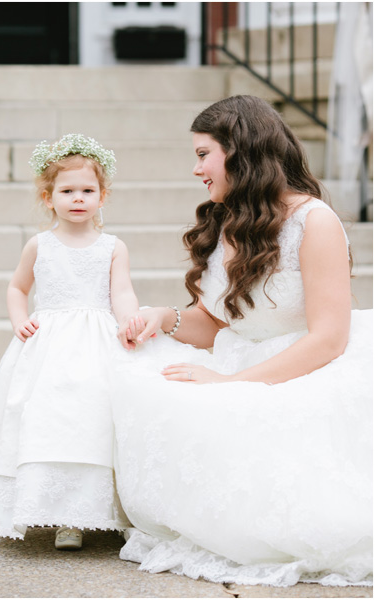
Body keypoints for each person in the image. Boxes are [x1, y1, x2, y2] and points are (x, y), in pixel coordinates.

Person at [113, 95, 373, 586]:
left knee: (224, 409)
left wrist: (232, 382)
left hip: (307, 364)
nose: (197, 170)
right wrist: (164, 317)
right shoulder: (231, 220)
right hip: (240, 355)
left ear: (241, 151)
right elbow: (213, 323)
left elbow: (329, 338)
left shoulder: (314, 222)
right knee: (135, 378)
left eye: (202, 154)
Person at [0, 134, 134, 550]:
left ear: (103, 197)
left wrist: (128, 321)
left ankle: (107, 510)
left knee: (96, 419)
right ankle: (62, 515)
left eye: (88, 191)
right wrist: (20, 320)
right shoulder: (40, 245)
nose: (78, 199)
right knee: (51, 421)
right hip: (49, 345)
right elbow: (17, 288)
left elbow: (121, 292)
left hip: (98, 340)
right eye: (67, 191)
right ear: (49, 198)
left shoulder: (113, 247)